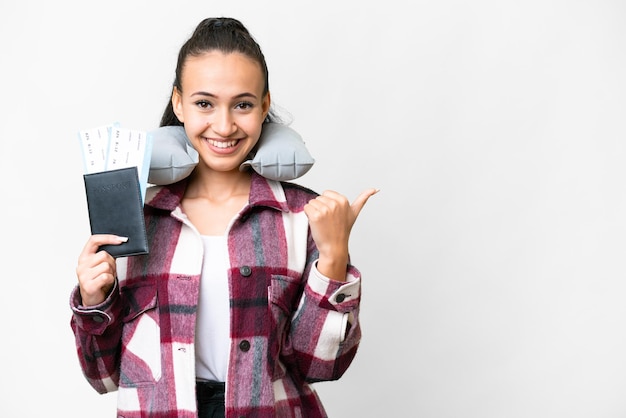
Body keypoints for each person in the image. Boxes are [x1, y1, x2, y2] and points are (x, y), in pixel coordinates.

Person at [70, 17, 377, 418]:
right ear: (178, 102)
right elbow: (104, 378)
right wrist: (95, 301)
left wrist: (334, 260)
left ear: (264, 106)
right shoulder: (135, 218)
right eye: (204, 103)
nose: (224, 125)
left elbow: (321, 366)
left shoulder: (302, 215)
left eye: (243, 105)